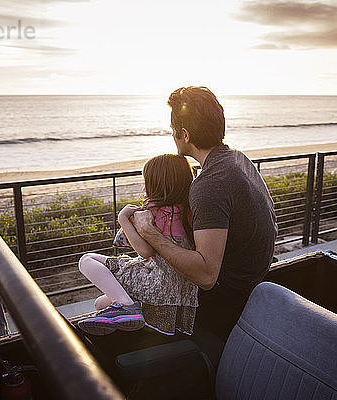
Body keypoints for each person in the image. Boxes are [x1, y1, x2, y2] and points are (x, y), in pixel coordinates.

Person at [132, 86, 278, 345]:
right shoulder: (238, 160)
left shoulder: (209, 184)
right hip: (254, 285)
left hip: (224, 304)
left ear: (185, 135)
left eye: (173, 130)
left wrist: (148, 232)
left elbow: (207, 276)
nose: (172, 136)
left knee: (126, 289)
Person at [77, 154, 198, 336]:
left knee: (87, 260)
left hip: (155, 283)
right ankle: (126, 306)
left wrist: (123, 218)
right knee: (101, 304)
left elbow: (144, 251)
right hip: (177, 290)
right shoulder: (190, 211)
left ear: (154, 182)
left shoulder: (155, 212)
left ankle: (127, 307)